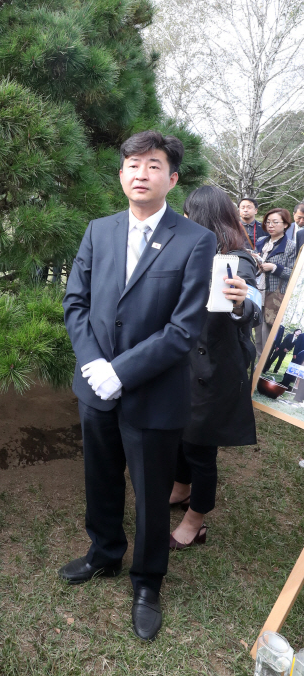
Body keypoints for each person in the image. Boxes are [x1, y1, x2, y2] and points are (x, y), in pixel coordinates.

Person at [59, 130, 216, 642]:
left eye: (152, 165)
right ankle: (104, 553)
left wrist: (121, 371)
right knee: (100, 477)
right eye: (131, 165)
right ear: (121, 174)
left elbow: (184, 327)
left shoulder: (195, 240)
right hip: (95, 387)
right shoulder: (99, 231)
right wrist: (93, 366)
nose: (139, 174)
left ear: (172, 178)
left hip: (152, 391)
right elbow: (75, 303)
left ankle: (147, 581)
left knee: (151, 492)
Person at [168, 186, 261, 549]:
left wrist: (241, 303)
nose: (185, 219)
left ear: (206, 218)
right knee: (179, 434)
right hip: (184, 362)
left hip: (216, 369)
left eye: (191, 214)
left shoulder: (239, 260)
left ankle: (197, 520)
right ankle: (180, 488)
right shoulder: (192, 251)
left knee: (200, 447)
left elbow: (251, 306)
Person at [255, 208, 296, 357]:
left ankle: (262, 370)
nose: (270, 225)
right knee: (257, 333)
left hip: (274, 295)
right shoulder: (261, 241)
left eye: (275, 222)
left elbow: (294, 273)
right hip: (257, 292)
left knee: (268, 334)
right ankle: (257, 367)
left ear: (285, 224)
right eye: (268, 222)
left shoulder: (290, 246)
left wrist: (274, 268)